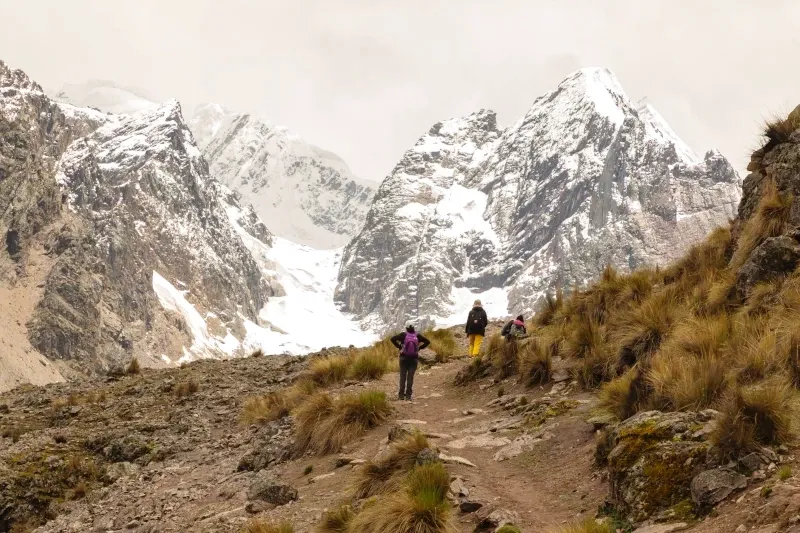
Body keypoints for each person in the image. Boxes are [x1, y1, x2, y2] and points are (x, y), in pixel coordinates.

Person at [390, 325, 431, 401]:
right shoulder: (417, 335)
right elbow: (428, 342)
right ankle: (408, 396)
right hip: (414, 359)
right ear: (414, 328)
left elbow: (392, 339)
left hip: (403, 358)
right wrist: (420, 348)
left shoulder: (403, 335)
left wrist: (399, 347)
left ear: (406, 328)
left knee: (403, 376)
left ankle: (401, 396)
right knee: (410, 377)